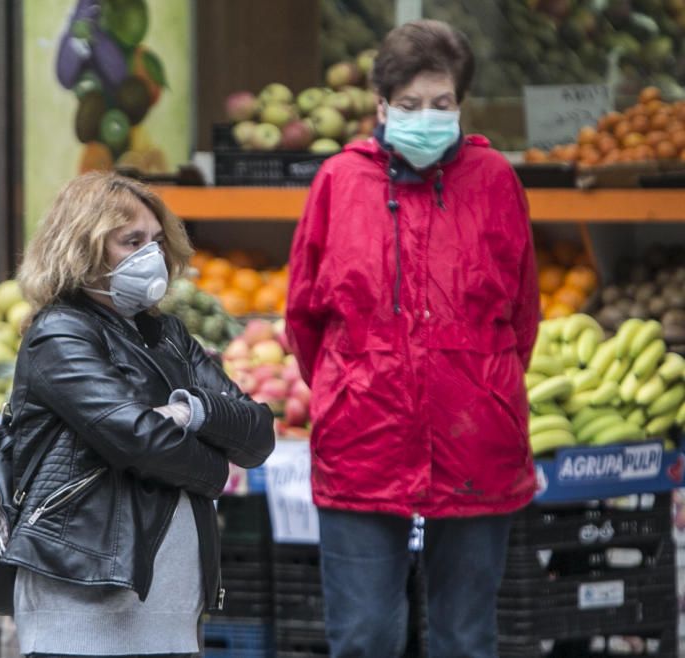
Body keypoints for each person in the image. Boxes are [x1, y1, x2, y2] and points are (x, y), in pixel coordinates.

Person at [285, 20, 539, 658]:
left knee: (465, 637)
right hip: (362, 435)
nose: (427, 117)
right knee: (365, 636)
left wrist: (479, 385)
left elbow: (522, 314)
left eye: (442, 104)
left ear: (461, 105)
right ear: (380, 106)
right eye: (409, 105)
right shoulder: (339, 182)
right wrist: (355, 382)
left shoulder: (494, 180)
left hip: (475, 435)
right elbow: (304, 316)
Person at [4, 171, 275, 658]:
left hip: (170, 613)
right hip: (82, 607)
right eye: (131, 241)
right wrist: (215, 471)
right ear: (82, 247)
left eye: (155, 241)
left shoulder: (167, 333)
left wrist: (189, 411)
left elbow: (257, 435)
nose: (151, 255)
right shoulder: (59, 333)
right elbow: (138, 439)